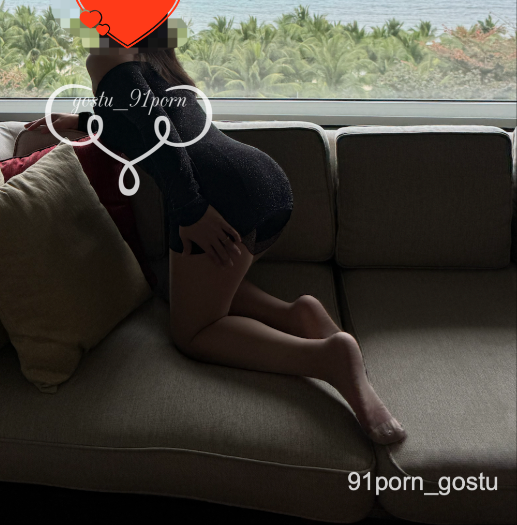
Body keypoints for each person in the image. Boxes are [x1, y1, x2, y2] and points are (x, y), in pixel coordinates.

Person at [26, 40, 406, 445]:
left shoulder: (106, 57)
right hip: (263, 183)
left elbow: (159, 131)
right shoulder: (155, 57)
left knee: (192, 334)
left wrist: (191, 210)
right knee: (177, 292)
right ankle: (298, 315)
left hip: (219, 198)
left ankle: (327, 359)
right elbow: (138, 119)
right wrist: (82, 120)